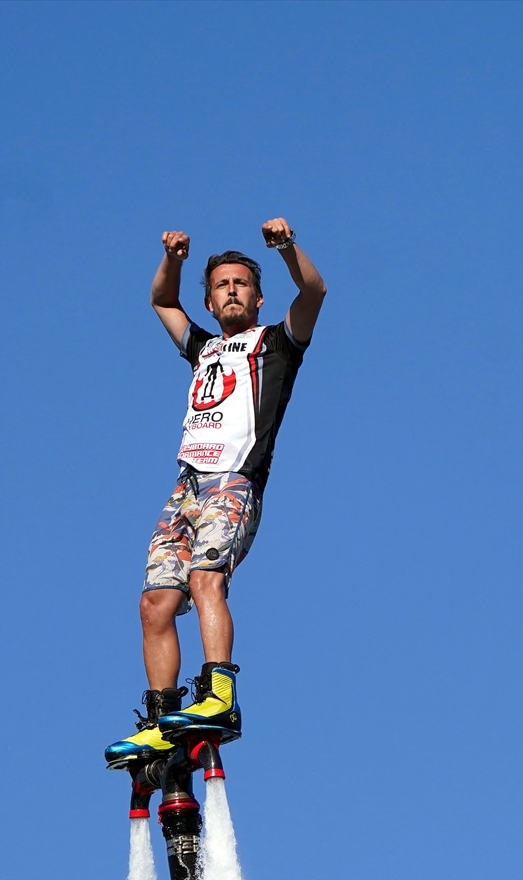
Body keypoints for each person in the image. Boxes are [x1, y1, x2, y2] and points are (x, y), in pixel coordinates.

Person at [105, 218, 326, 767]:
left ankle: (219, 696)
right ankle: (161, 719)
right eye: (221, 285)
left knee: (206, 579)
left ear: (256, 297)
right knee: (154, 602)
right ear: (208, 301)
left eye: (240, 283)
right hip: (186, 487)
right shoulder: (204, 348)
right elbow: (161, 300)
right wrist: (175, 261)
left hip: (234, 481)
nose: (231, 290)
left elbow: (314, 291)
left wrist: (285, 248)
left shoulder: (276, 344)